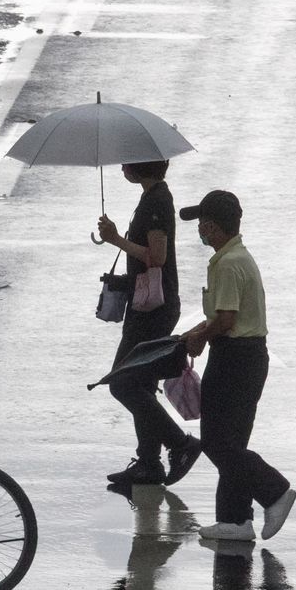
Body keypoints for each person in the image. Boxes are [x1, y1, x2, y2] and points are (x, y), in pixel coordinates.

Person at [178, 190, 296, 541]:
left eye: (202, 223)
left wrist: (201, 335)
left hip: (235, 358)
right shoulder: (235, 258)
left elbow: (227, 319)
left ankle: (274, 492)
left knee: (217, 442)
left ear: (213, 227)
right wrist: (199, 329)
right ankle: (235, 520)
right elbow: (226, 315)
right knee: (233, 441)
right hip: (246, 355)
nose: (199, 229)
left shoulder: (229, 264)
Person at [97, 160, 201, 489]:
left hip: (155, 309)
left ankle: (180, 445)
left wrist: (115, 239)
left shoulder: (157, 201)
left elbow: (158, 256)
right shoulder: (151, 196)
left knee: (123, 382)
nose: (121, 168)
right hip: (146, 304)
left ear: (138, 166)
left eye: (126, 162)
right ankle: (149, 463)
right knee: (140, 385)